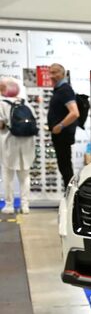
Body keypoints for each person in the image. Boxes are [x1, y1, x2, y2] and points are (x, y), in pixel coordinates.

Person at [0, 78, 33, 214]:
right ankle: (25, 206)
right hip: (26, 144)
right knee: (25, 176)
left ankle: (9, 205)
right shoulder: (26, 103)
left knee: (8, 176)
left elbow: (1, 125)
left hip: (9, 144)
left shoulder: (2, 104)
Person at [47, 63, 79, 189]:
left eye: (55, 72)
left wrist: (60, 126)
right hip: (60, 136)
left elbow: (75, 113)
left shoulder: (65, 89)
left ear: (63, 74)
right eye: (50, 73)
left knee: (65, 166)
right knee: (64, 165)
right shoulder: (60, 90)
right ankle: (69, 196)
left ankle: (70, 197)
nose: (52, 76)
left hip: (63, 136)